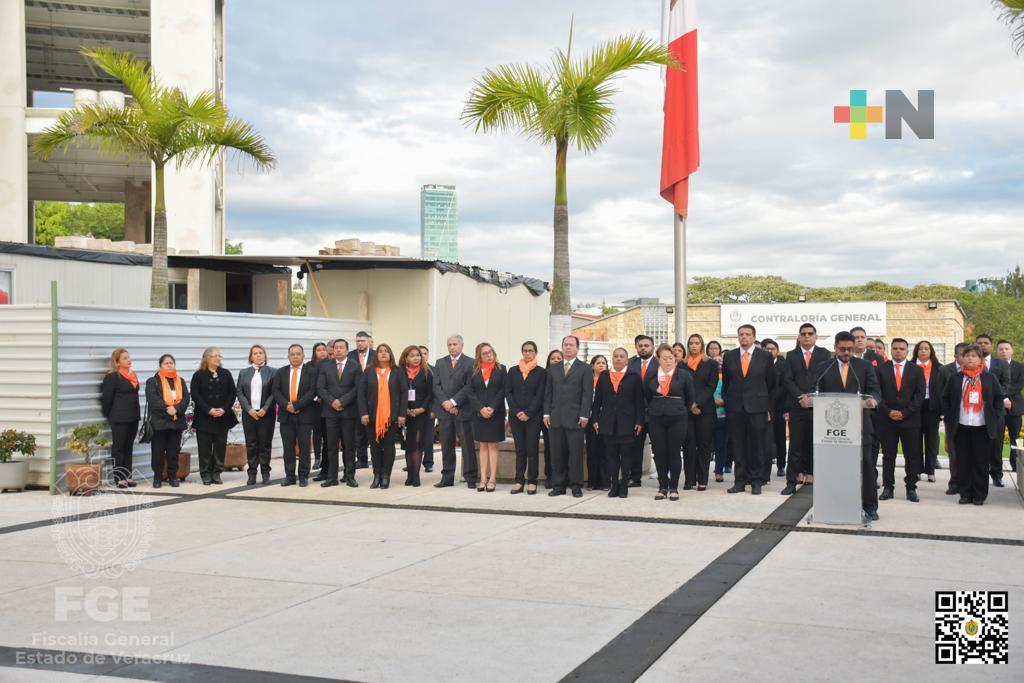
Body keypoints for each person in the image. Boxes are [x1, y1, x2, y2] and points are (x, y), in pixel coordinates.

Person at [814, 331, 882, 520]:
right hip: (832, 430)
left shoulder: (864, 366)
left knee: (866, 466)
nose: (846, 353)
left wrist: (873, 401)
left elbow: (875, 390)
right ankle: (834, 503)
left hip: (860, 426)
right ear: (835, 347)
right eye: (842, 349)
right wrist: (808, 399)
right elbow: (816, 390)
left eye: (850, 349)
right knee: (834, 468)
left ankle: (869, 506)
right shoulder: (823, 367)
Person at [943, 344, 1005, 506]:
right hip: (961, 426)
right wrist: (949, 417)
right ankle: (965, 493)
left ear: (980, 360)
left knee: (980, 462)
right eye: (967, 355)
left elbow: (999, 399)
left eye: (974, 356)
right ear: (962, 358)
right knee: (963, 462)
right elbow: (945, 399)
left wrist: (995, 416)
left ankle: (979, 495)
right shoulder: (956, 378)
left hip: (982, 427)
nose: (970, 358)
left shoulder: (989, 378)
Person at [722, 325, 776, 495]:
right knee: (738, 445)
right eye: (741, 334)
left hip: (758, 408)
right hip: (736, 408)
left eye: (747, 334)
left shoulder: (765, 356)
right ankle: (739, 481)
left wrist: (768, 408)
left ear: (754, 337)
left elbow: (772, 384)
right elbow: (726, 382)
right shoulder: (730, 356)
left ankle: (756, 480)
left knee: (757, 445)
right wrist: (728, 401)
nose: (744, 337)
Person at [780, 323, 832, 495]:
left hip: (818, 406)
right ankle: (791, 481)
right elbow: (787, 380)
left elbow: (826, 379)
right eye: (804, 334)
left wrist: (814, 397)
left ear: (816, 336)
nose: (807, 336)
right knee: (795, 445)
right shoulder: (791, 355)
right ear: (799, 337)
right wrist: (801, 397)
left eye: (810, 333)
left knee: (814, 442)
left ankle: (812, 473)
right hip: (798, 406)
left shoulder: (824, 354)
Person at [643, 343, 695, 500]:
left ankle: (673, 487)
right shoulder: (651, 375)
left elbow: (690, 398)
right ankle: (662, 486)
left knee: (673, 452)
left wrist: (679, 409)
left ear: (675, 360)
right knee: (659, 453)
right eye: (664, 358)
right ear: (659, 359)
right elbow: (646, 395)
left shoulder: (683, 375)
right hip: (656, 418)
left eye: (670, 358)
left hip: (677, 418)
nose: (667, 361)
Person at [544, 335, 594, 498]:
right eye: (565, 344)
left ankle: (576, 485)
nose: (568, 347)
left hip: (576, 418)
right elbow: (548, 392)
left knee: (575, 454)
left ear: (577, 348)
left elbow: (587, 394)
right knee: (557, 454)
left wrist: (585, 414)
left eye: (571, 345)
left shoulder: (585, 368)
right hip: (556, 417)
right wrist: (546, 412)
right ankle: (558, 485)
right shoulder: (554, 368)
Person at [877, 338, 925, 503]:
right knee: (888, 456)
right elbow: (877, 394)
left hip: (910, 420)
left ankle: (911, 488)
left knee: (911, 455)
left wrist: (904, 413)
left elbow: (919, 396)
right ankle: (888, 487)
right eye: (895, 348)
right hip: (887, 419)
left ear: (907, 351)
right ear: (891, 350)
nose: (898, 351)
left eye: (901, 349)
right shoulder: (881, 370)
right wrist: (889, 412)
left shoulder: (916, 370)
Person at [592, 347, 644, 498]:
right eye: (616, 356)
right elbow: (598, 400)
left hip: (627, 422)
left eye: (622, 356)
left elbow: (639, 401)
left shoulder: (633, 376)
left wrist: (639, 421)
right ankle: (614, 484)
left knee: (626, 456)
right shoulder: (604, 376)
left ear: (626, 360)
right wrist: (595, 418)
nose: (619, 359)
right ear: (612, 359)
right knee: (611, 456)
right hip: (608, 422)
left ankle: (624, 485)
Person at [358, 344, 408, 489]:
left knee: (389, 447)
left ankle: (386, 475)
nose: (383, 354)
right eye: (380, 351)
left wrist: (402, 414)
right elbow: (361, 393)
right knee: (374, 447)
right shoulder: (368, 371)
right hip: (373, 416)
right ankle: (377, 475)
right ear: (376, 355)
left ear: (391, 354)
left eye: (386, 351)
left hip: (391, 417)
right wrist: (364, 413)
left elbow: (404, 393)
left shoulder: (397, 371)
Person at [432, 334, 478, 489]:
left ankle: (470, 476)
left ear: (462, 345)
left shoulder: (470, 363)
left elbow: (468, 386)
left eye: (455, 344)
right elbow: (436, 386)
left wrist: (453, 402)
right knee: (446, 445)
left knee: (467, 445)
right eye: (449, 344)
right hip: (444, 412)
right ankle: (447, 477)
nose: (452, 347)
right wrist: (445, 403)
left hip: (462, 410)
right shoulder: (440, 363)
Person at [317, 338, 361, 488]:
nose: (338, 350)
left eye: (342, 347)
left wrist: (342, 401)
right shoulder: (325, 366)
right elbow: (321, 388)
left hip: (348, 411)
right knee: (331, 446)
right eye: (336, 347)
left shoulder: (355, 366)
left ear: (347, 350)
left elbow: (357, 388)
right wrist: (332, 401)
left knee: (349, 446)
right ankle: (332, 477)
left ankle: (350, 476)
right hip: (330, 412)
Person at [190, 347, 238, 486]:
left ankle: (216, 472)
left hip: (222, 417)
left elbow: (232, 393)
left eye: (219, 356)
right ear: (207, 358)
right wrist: (208, 409)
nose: (218, 358)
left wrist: (224, 409)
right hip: (204, 417)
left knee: (220, 446)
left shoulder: (225, 374)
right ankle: (205, 473)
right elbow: (195, 394)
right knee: (204, 447)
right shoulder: (199, 375)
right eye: (214, 356)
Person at [273, 344, 318, 487]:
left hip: (304, 414)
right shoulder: (281, 372)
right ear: (288, 357)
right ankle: (290, 475)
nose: (295, 356)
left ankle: (303, 475)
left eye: (298, 354)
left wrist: (297, 405)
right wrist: (287, 405)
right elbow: (276, 391)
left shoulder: (311, 372)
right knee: (288, 447)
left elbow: (312, 392)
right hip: (286, 415)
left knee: (304, 447)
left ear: (303, 356)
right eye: (292, 354)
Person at [506, 341, 546, 494]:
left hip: (533, 417)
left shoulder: (541, 372)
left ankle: (532, 481)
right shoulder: (513, 371)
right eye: (525, 350)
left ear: (536, 353)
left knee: (532, 449)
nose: (527, 353)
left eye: (530, 350)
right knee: (520, 449)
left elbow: (539, 395)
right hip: (516, 416)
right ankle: (518, 480)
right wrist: (516, 412)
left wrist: (528, 413)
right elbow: (508, 392)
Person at [465, 342, 506, 492]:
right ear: (479, 356)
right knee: (482, 445)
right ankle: (483, 478)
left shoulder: (501, 369)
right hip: (479, 413)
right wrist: (481, 408)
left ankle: (492, 478)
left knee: (493, 445)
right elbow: (470, 391)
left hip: (495, 413)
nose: (489, 355)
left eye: (490, 352)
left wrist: (492, 408)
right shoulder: (474, 371)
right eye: (485, 353)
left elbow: (503, 390)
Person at [146, 354, 190, 488]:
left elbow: (186, 399)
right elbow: (153, 401)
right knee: (157, 452)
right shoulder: (153, 381)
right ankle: (157, 477)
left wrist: (176, 409)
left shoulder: (180, 381)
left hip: (176, 422)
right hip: (160, 422)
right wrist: (168, 410)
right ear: (160, 366)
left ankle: (172, 476)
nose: (169, 365)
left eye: (171, 363)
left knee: (173, 452)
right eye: (166, 363)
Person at [681, 334, 717, 491]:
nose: (694, 346)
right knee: (689, 445)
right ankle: (689, 479)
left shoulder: (710, 364)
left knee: (704, 445)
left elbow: (711, 387)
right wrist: (690, 405)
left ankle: (702, 479)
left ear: (702, 345)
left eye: (697, 343)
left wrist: (697, 403)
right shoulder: (682, 365)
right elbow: (679, 387)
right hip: (687, 411)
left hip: (705, 410)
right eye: (691, 343)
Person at [100, 347, 140, 488]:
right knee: (119, 447)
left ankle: (127, 475)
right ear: (117, 362)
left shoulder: (132, 375)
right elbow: (106, 398)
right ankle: (119, 478)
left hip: (133, 416)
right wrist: (109, 414)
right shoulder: (112, 377)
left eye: (129, 357)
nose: (129, 360)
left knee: (129, 447)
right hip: (119, 417)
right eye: (124, 358)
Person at [236, 344, 276, 486]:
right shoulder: (244, 372)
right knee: (251, 444)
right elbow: (239, 392)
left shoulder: (272, 372)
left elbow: (274, 393)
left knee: (265, 444)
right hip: (250, 414)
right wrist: (249, 409)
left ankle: (265, 473)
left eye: (261, 353)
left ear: (265, 355)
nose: (258, 355)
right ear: (251, 356)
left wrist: (265, 408)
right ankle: (252, 473)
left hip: (266, 414)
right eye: (255, 353)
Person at [976, 334, 1011, 487]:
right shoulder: (970, 362)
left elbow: (1005, 385)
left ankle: (997, 474)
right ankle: (978, 473)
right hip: (974, 411)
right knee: (977, 445)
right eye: (979, 343)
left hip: (996, 410)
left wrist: (989, 398)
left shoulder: (1002, 365)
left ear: (991, 346)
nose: (983, 346)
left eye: (986, 343)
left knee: (996, 444)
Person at [400, 345, 434, 487]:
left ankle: (416, 475)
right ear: (406, 358)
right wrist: (404, 410)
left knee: (417, 445)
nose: (416, 358)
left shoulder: (427, 372)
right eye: (412, 355)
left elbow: (430, 394)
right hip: (404, 414)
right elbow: (397, 392)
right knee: (409, 445)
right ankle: (409, 475)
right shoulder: (400, 372)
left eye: (418, 355)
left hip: (421, 414)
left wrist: (422, 409)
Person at [910, 340, 944, 481]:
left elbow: (942, 390)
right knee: (915, 438)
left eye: (926, 349)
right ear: (916, 351)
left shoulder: (939, 368)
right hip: (915, 407)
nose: (923, 351)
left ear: (931, 351)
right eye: (921, 349)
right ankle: (917, 470)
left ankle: (930, 471)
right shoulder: (910, 366)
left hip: (932, 406)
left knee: (931, 439)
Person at [940, 343, 969, 496]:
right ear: (956, 356)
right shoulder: (945, 371)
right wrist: (946, 415)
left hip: (973, 418)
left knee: (970, 452)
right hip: (953, 418)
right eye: (963, 354)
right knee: (954, 452)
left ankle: (968, 483)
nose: (966, 358)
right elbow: (941, 395)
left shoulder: (980, 371)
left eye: (969, 354)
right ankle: (955, 482)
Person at [627, 334, 657, 487]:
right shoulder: (630, 363)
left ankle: (663, 477)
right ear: (637, 347)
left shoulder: (660, 363)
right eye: (641, 346)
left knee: (658, 446)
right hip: (635, 413)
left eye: (646, 346)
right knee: (635, 447)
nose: (643, 348)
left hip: (655, 412)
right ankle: (635, 477)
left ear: (653, 347)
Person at [761, 339, 788, 478]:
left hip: (779, 407)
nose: (770, 351)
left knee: (779, 437)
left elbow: (784, 386)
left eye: (773, 348)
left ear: (777, 350)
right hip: (763, 406)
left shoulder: (783, 365)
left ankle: (781, 465)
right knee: (766, 439)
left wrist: (772, 397)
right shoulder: (761, 363)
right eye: (767, 349)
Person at [349, 331, 375, 468]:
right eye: (357, 341)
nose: (360, 343)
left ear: (368, 341)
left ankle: (377, 458)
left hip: (373, 397)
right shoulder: (350, 356)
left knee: (373, 430)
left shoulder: (376, 355)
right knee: (358, 431)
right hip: (355, 398)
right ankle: (362, 459)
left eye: (362, 340)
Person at [996, 340, 1023, 472]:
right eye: (1001, 349)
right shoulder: (993, 366)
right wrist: (1003, 398)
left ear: (1012, 351)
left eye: (1007, 349)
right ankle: (996, 466)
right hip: (998, 408)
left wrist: (1005, 394)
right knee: (997, 439)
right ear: (997, 352)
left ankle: (1015, 464)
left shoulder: (1020, 367)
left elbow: (1019, 385)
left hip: (1015, 408)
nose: (1004, 351)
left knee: (1015, 438)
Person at [707, 340, 730, 481]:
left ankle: (719, 470)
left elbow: (732, 392)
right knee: (705, 446)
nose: (718, 364)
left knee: (721, 445)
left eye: (720, 362)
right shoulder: (707, 376)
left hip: (723, 415)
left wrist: (724, 401)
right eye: (715, 362)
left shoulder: (727, 377)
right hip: (708, 414)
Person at [585, 355, 609, 490]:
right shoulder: (588, 380)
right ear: (592, 365)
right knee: (592, 452)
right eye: (598, 363)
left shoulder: (610, 380)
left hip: (605, 420)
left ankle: (605, 482)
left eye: (603, 363)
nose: (601, 365)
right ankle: (592, 482)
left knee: (605, 452)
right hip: (589, 420)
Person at [541, 349, 562, 488]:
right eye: (553, 358)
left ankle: (563, 475)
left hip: (564, 415)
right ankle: (550, 475)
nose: (555, 360)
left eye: (558, 358)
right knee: (549, 448)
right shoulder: (544, 375)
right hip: (548, 416)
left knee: (562, 448)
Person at [307, 341, 329, 472]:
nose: (322, 352)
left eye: (323, 349)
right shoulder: (309, 366)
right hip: (313, 404)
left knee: (326, 432)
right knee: (316, 431)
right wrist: (315, 397)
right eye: (318, 350)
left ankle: (326, 461)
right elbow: (309, 385)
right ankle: (317, 458)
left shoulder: (330, 364)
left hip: (326, 403)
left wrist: (323, 397)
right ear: (314, 352)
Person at [417, 345, 437, 472]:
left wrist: (434, 409)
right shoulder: (411, 370)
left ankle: (428, 462)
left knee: (428, 437)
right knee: (414, 437)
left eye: (425, 353)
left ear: (428, 355)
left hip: (429, 409)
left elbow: (436, 392)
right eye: (420, 353)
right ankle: (413, 462)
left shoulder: (434, 370)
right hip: (414, 409)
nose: (422, 356)